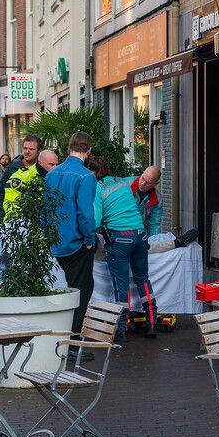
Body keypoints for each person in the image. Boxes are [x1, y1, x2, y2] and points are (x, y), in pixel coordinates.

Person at [88, 155, 157, 341]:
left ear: (92, 172)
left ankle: (121, 329)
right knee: (143, 280)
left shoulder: (96, 187)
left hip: (120, 238)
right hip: (140, 235)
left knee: (122, 286)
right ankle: (152, 323)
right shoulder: (123, 182)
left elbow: (95, 221)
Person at [45, 132, 96, 358]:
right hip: (76, 243)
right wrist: (89, 240)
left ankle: (67, 339)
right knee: (81, 292)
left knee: (70, 290)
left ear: (69, 148)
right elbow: (85, 214)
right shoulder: (85, 176)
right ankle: (73, 344)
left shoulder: (52, 174)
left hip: (57, 243)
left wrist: (48, 238)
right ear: (88, 151)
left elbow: (45, 210)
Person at [0, 135, 42, 217]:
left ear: (39, 151)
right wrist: (0, 217)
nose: (27, 151)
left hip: (35, 220)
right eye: (25, 148)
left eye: (31, 149)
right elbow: (1, 193)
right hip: (12, 220)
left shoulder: (43, 169)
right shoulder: (12, 167)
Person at [3, 150, 59, 217]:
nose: (55, 168)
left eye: (57, 165)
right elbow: (11, 205)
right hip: (19, 223)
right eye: (52, 164)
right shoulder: (21, 177)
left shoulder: (55, 177)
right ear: (40, 163)